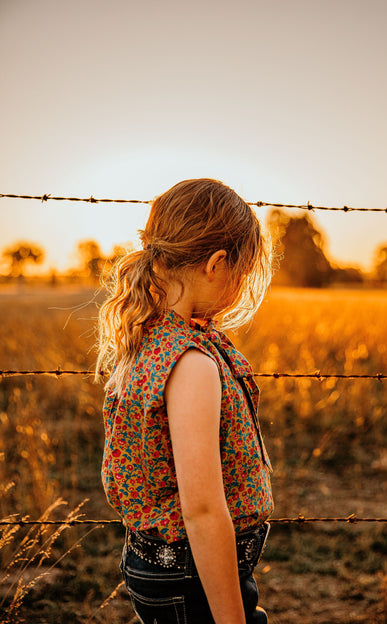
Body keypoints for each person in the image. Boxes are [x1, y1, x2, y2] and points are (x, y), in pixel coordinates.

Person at [96, 178, 274, 624]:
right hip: (196, 579)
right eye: (243, 273)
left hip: (167, 571)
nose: (242, 288)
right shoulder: (191, 363)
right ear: (217, 264)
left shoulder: (147, 335)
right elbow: (203, 510)